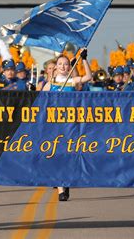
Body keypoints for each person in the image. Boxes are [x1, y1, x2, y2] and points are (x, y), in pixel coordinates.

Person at [43, 48, 92, 201]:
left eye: (66, 64)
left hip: (70, 124)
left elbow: (89, 77)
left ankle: (66, 181)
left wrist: (84, 59)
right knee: (56, 154)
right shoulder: (50, 83)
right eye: (60, 64)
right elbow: (40, 101)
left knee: (69, 154)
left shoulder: (72, 81)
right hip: (55, 124)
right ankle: (60, 188)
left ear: (69, 67)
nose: (63, 66)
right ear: (56, 66)